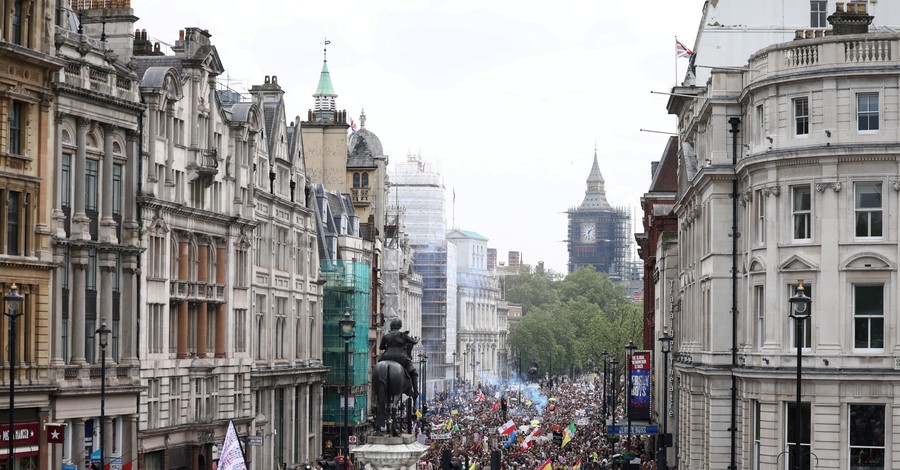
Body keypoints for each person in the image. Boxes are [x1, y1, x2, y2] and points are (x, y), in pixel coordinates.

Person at [379, 318, 420, 396]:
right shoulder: (403, 335)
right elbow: (414, 342)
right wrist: (417, 338)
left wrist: (388, 348)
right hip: (401, 357)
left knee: (378, 366)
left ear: (391, 325)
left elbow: (381, 347)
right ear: (399, 326)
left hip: (386, 357)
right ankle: (415, 392)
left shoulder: (386, 336)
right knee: (413, 372)